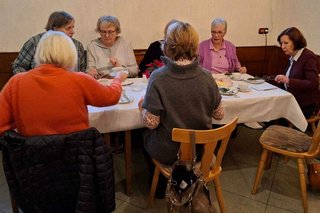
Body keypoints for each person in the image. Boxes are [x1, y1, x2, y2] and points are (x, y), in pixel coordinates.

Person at [138, 21, 224, 197]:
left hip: (170, 153)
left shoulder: (158, 77)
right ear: (194, 46)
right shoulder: (207, 76)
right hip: (201, 151)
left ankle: (160, 189)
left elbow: (152, 123)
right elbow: (219, 114)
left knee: (142, 134)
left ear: (168, 46)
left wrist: (142, 108)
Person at [0, 30, 127, 136]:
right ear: (70, 53)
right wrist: (117, 80)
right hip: (76, 158)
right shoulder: (79, 79)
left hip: (32, 160)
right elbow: (111, 97)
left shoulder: (17, 82)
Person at [12, 11, 86, 74]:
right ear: (55, 28)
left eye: (73, 27)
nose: (73, 32)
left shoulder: (77, 45)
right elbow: (18, 66)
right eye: (68, 28)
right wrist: (29, 82)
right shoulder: (35, 42)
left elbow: (82, 71)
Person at [275, 27, 319, 118]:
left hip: (304, 104)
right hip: (291, 99)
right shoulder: (293, 55)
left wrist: (288, 81)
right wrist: (282, 78)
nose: (282, 47)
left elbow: (313, 83)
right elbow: (292, 76)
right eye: (281, 43)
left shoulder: (308, 57)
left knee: (273, 112)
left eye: (286, 43)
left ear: (296, 42)